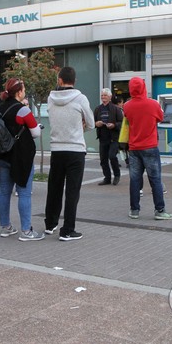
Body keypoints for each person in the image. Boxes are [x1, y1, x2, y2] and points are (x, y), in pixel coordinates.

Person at [44, 66, 95, 241]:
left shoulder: (50, 99)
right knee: (72, 190)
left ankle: (50, 224)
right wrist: (81, 128)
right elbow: (91, 123)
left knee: (54, 188)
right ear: (74, 81)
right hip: (75, 150)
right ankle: (67, 230)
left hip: (57, 149)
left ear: (59, 80)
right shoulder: (80, 99)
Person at [0, 78, 44, 241]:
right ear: (19, 92)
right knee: (24, 193)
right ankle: (26, 231)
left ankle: (6, 227)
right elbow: (35, 132)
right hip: (20, 157)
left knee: (4, 191)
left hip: (2, 155)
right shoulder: (23, 110)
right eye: (24, 89)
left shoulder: (0, 108)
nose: (25, 92)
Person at [124, 76, 172, 220]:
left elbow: (127, 119)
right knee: (155, 179)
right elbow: (160, 117)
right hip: (150, 146)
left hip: (134, 147)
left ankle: (134, 210)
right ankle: (159, 210)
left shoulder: (127, 105)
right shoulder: (153, 104)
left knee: (135, 180)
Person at [94, 88, 124, 185]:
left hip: (113, 138)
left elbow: (122, 123)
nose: (103, 97)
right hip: (102, 137)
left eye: (105, 95)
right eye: (102, 95)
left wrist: (114, 125)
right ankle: (107, 178)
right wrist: (96, 124)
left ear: (110, 97)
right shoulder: (98, 109)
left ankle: (117, 175)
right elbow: (92, 123)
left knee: (112, 156)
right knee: (103, 160)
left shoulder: (116, 109)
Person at [113, 96, 129, 168]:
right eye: (122, 102)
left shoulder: (115, 110)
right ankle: (127, 162)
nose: (123, 104)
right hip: (120, 132)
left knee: (120, 149)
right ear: (118, 103)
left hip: (119, 132)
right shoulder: (119, 111)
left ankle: (122, 162)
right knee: (124, 148)